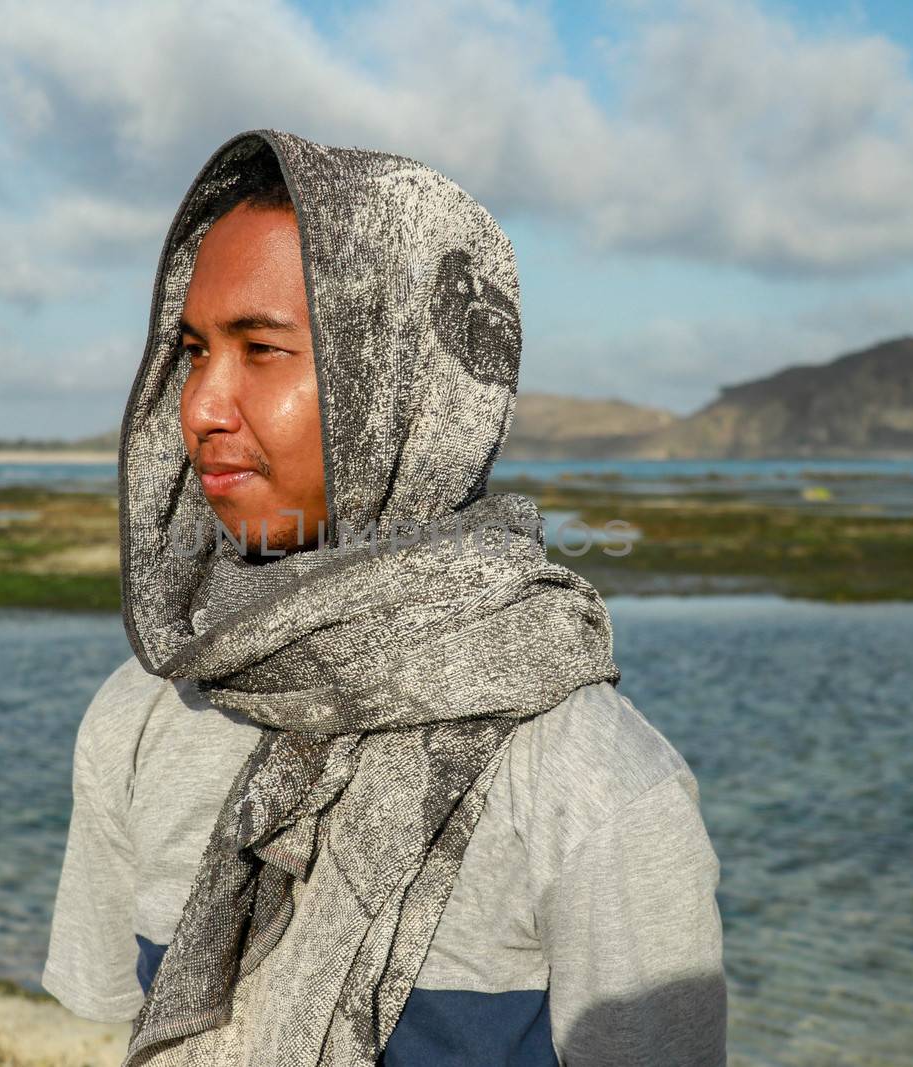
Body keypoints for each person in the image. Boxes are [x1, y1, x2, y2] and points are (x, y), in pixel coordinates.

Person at [41, 129, 727, 1066]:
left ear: (404, 385)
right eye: (195, 350)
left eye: (263, 349)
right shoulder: (144, 713)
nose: (201, 404)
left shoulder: (589, 782)